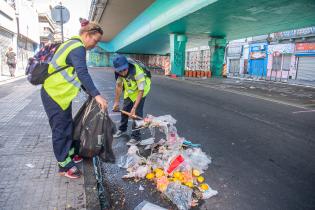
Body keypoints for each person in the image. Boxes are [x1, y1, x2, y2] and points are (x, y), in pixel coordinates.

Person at [41, 18, 108, 179]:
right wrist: (96, 95)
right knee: (60, 129)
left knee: (67, 127)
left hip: (60, 95)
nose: (95, 44)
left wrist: (91, 93)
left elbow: (78, 75)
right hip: (54, 94)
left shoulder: (73, 45)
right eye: (95, 40)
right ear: (86, 34)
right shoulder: (77, 47)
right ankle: (64, 165)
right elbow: (82, 72)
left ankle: (69, 155)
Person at [112, 55, 151, 143]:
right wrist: (116, 102)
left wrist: (133, 108)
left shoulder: (137, 72)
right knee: (125, 109)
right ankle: (122, 129)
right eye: (120, 71)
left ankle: (136, 137)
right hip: (130, 90)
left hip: (141, 90)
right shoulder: (118, 72)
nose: (123, 73)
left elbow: (140, 91)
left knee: (136, 113)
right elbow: (119, 86)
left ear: (127, 66)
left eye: (124, 70)